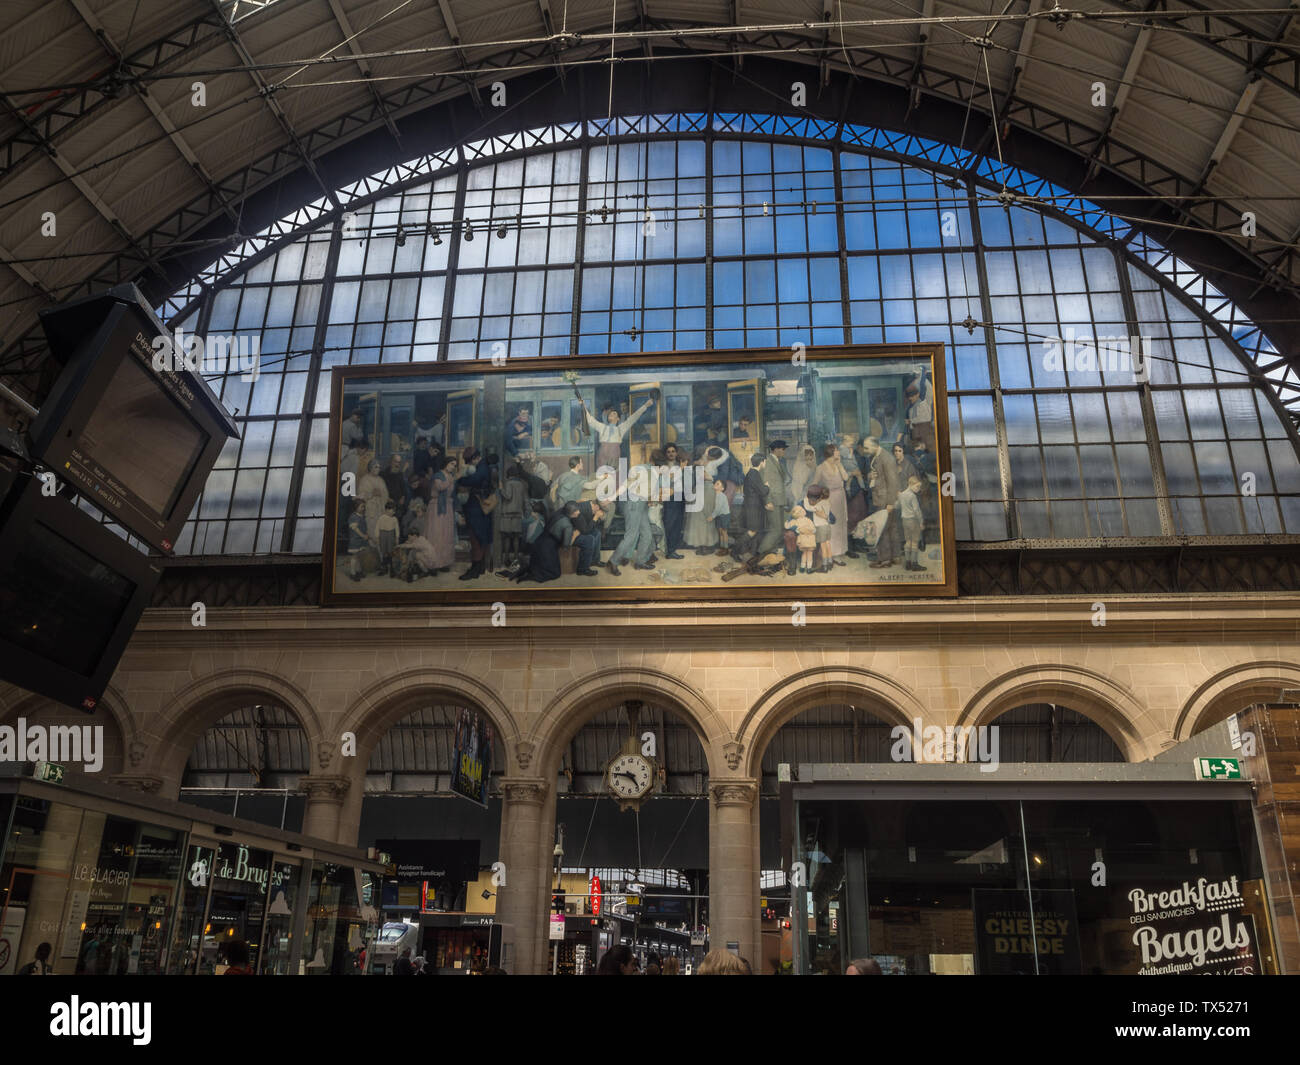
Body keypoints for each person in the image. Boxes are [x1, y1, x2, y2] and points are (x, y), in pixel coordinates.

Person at [583, 395, 655, 475]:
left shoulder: (621, 428)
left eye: (614, 414)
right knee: (602, 474)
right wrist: (583, 405)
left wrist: (645, 405)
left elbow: (634, 417)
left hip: (614, 453)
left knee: (613, 475)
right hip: (602, 453)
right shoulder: (602, 427)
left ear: (618, 419)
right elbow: (590, 420)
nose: (611, 414)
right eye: (610, 414)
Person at [607, 463, 656, 575]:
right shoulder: (642, 471)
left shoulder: (656, 475)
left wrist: (650, 499)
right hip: (633, 504)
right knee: (631, 535)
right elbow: (626, 485)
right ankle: (613, 561)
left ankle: (640, 561)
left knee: (647, 534)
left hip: (642, 505)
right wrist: (611, 498)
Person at [862, 436, 903, 569]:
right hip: (880, 497)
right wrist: (869, 476)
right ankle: (895, 557)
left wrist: (890, 503)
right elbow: (877, 475)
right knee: (891, 527)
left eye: (867, 447)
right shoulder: (876, 456)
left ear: (875, 446)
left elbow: (893, 483)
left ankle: (884, 560)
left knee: (882, 529)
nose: (865, 450)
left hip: (884, 500)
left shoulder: (887, 458)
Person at [456, 447, 494, 581]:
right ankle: (479, 567)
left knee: (476, 537)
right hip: (478, 507)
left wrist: (459, 479)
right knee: (478, 536)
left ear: (474, 459)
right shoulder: (482, 466)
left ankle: (475, 569)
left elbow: (474, 480)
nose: (469, 464)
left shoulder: (482, 467)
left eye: (469, 461)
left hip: (477, 507)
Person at [814, 444, 850, 565]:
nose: (838, 452)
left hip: (840, 497)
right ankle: (831, 554)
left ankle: (839, 553)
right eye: (836, 450)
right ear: (831, 452)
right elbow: (814, 485)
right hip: (829, 499)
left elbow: (845, 478)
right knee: (832, 526)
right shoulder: (821, 467)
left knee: (840, 525)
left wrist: (839, 464)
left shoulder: (838, 464)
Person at [424, 454, 460, 573]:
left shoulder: (450, 476)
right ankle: (433, 564)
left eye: (455, 465)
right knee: (436, 535)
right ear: (445, 464)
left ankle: (443, 563)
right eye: (451, 464)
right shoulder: (438, 475)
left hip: (448, 507)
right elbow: (440, 487)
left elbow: (452, 493)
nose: (453, 467)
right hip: (436, 508)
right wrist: (452, 479)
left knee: (446, 536)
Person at [758, 439, 792, 554]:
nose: (784, 451)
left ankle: (770, 554)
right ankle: (760, 553)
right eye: (783, 449)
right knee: (775, 530)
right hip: (773, 501)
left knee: (780, 530)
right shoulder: (768, 462)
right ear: (776, 449)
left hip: (779, 500)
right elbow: (765, 483)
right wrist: (767, 501)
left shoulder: (777, 461)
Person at [740, 453, 772, 557]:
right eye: (765, 461)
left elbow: (757, 491)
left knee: (756, 531)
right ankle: (735, 550)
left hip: (753, 506)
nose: (765, 463)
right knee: (753, 531)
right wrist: (767, 486)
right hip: (753, 507)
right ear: (761, 462)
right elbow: (762, 491)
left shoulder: (752, 473)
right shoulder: (754, 474)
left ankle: (752, 554)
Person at [497, 464, 528, 566]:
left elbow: (508, 496)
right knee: (516, 537)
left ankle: (506, 558)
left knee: (506, 537)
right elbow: (524, 500)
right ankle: (515, 557)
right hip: (518, 513)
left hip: (507, 514)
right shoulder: (521, 484)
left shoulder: (508, 483)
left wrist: (501, 489)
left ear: (508, 474)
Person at [660, 443, 686, 559]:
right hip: (669, 499)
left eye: (673, 451)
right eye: (668, 452)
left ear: (676, 453)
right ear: (666, 454)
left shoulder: (681, 464)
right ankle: (668, 551)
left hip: (680, 497)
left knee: (678, 524)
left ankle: (673, 550)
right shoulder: (663, 467)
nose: (671, 454)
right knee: (669, 524)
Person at [897, 474, 926, 572]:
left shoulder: (901, 494)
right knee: (914, 542)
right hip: (913, 521)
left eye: (919, 487)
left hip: (904, 520)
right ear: (910, 484)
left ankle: (907, 563)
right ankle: (914, 564)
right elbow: (917, 511)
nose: (918, 489)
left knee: (908, 541)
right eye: (917, 486)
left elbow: (897, 506)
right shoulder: (912, 496)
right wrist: (921, 522)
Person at [358, 459, 389, 541]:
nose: (378, 469)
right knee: (372, 529)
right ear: (371, 468)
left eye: (379, 467)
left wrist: (381, 494)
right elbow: (361, 495)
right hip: (370, 509)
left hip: (380, 509)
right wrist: (372, 494)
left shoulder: (381, 480)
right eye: (376, 467)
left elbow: (386, 494)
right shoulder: (365, 480)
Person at [787, 504, 817, 573]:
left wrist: (808, 530)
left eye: (802, 510)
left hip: (807, 538)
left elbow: (814, 529)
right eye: (801, 511)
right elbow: (813, 529)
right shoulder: (800, 520)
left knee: (807, 553)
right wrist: (805, 530)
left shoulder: (805, 520)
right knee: (807, 553)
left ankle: (805, 567)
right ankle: (806, 567)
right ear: (798, 514)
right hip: (806, 539)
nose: (803, 511)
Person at [376, 500, 400, 577]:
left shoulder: (394, 519)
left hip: (391, 536)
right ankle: (384, 568)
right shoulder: (381, 518)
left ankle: (392, 569)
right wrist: (377, 537)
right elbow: (377, 528)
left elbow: (397, 529)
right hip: (383, 536)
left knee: (391, 552)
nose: (394, 512)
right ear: (387, 509)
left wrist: (397, 537)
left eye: (395, 511)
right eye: (393, 510)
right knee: (384, 552)